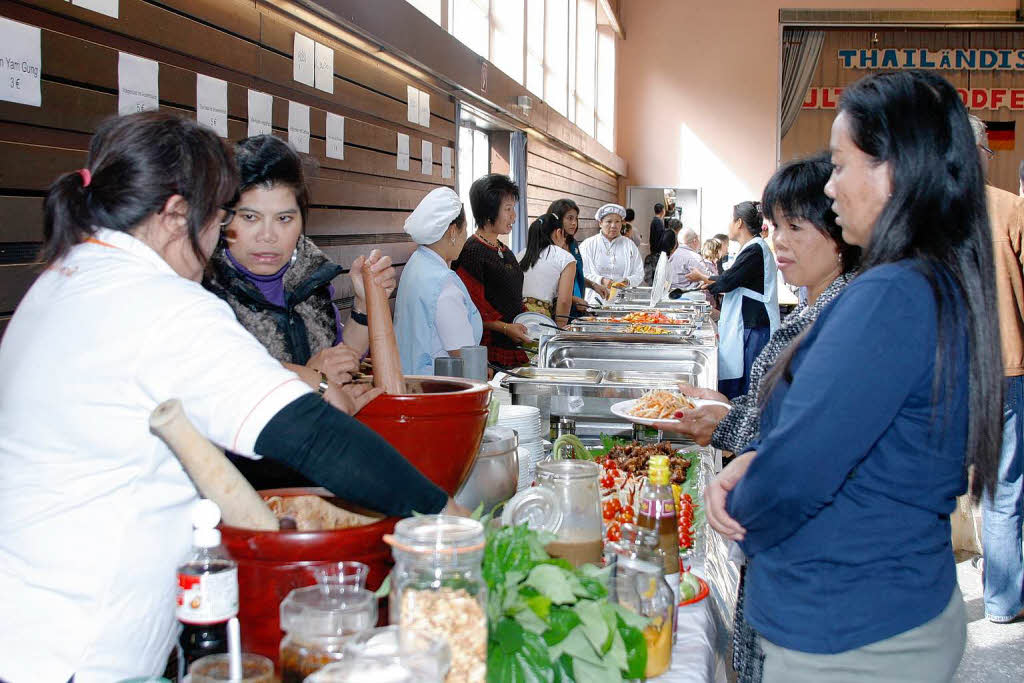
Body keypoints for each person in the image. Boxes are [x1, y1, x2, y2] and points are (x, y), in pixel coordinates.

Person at [0, 112, 459, 683]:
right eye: (223, 219)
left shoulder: (66, 280)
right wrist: (449, 519)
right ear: (174, 217)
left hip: (32, 633)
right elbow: (317, 437)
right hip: (78, 653)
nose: (222, 239)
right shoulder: (157, 304)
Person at [706, 70, 1003, 682]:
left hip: (848, 631)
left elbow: (799, 473)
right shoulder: (930, 281)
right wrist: (757, 461)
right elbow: (851, 439)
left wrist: (740, 496)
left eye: (841, 167)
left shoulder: (890, 297)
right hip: (886, 606)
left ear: (894, 170)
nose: (832, 188)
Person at [655, 154, 860, 682]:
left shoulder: (838, 321)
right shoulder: (821, 307)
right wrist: (725, 408)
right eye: (775, 227)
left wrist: (721, 424)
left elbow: (805, 440)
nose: (779, 243)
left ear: (842, 230)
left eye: (797, 226)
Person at [205, 135, 392, 390]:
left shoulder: (310, 279)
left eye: (284, 219)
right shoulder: (204, 290)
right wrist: (312, 377)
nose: (268, 236)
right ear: (223, 216)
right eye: (250, 217)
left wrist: (363, 304)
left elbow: (338, 365)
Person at [971, 114, 1024, 623]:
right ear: (984, 155)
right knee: (1004, 489)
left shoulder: (925, 217)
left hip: (940, 370)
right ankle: (1002, 602)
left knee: (927, 488)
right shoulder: (1011, 208)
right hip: (1005, 365)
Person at [687, 202, 780, 399]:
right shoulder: (751, 248)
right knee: (742, 380)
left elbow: (729, 281)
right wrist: (708, 281)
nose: (729, 225)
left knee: (750, 386)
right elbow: (731, 278)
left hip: (754, 326)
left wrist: (703, 278)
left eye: (731, 220)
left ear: (739, 223)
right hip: (748, 324)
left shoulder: (755, 248)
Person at [394, 187, 482, 376]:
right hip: (439, 389)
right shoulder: (443, 283)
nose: (465, 236)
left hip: (411, 381)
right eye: (465, 228)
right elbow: (464, 355)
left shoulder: (415, 263)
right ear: (452, 231)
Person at [454, 173, 532, 367]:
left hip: (513, 345)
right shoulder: (472, 251)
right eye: (508, 209)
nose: (514, 215)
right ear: (489, 211)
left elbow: (512, 296)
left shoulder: (504, 250)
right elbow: (473, 309)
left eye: (513, 208)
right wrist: (506, 328)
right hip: (490, 354)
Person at [547, 198, 608, 309]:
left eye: (576, 218)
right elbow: (548, 284)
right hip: (556, 310)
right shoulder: (548, 247)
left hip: (576, 308)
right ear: (557, 219)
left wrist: (593, 285)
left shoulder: (573, 244)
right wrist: (573, 299)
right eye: (570, 218)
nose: (574, 223)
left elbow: (574, 275)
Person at [518, 213, 577, 326]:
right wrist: (560, 329)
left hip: (516, 319)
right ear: (559, 232)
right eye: (564, 236)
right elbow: (564, 301)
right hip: (541, 320)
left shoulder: (520, 255)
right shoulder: (565, 257)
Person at [579, 203, 644, 304]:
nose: (613, 226)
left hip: (622, 301)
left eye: (617, 221)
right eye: (609, 221)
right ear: (600, 223)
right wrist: (601, 280)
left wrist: (626, 281)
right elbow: (581, 273)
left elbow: (639, 273)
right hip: (594, 300)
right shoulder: (588, 245)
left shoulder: (629, 245)